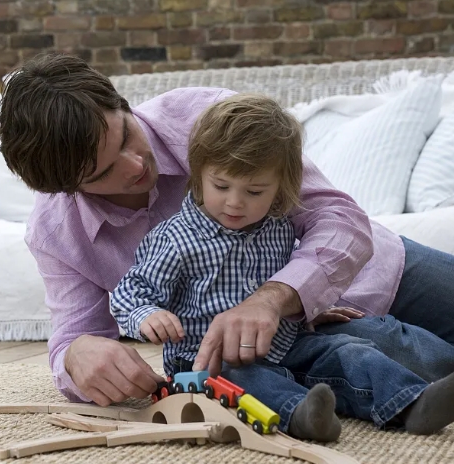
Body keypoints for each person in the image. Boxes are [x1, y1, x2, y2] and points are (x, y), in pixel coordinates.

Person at [0, 53, 454, 406]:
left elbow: (338, 218)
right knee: (390, 375)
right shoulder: (55, 232)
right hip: (302, 349)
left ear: (122, 102)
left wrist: (271, 298)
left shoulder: (208, 116)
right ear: (67, 188)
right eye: (102, 172)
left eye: (126, 136)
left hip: (379, 273)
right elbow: (76, 335)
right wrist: (76, 357)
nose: (136, 165)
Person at [110, 93, 454, 441]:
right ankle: (303, 415)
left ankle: (413, 403)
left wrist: (306, 309)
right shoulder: (175, 239)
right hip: (207, 360)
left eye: (255, 191)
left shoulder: (278, 227)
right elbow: (130, 293)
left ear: (280, 189)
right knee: (246, 378)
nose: (234, 202)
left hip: (285, 341)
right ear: (198, 176)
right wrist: (147, 316)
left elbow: (284, 280)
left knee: (348, 352)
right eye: (221, 186)